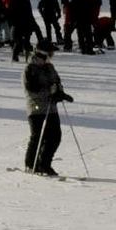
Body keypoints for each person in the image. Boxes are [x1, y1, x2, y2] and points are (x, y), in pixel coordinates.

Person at [22, 48, 71, 176]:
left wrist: (60, 93)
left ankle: (44, 164)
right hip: (36, 109)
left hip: (51, 108)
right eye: (45, 56)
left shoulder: (50, 68)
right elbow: (32, 89)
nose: (47, 59)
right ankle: (31, 164)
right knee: (38, 137)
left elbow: (57, 82)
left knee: (55, 137)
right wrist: (49, 93)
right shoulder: (30, 69)